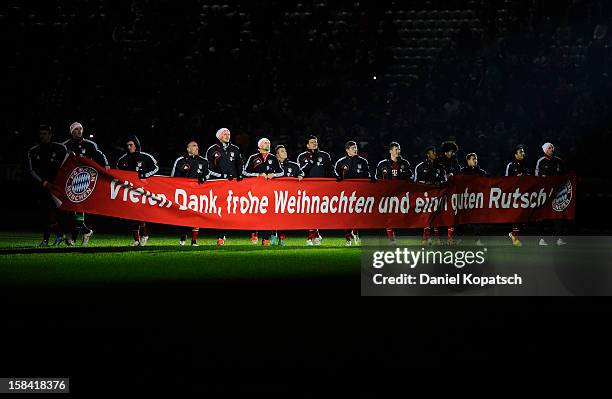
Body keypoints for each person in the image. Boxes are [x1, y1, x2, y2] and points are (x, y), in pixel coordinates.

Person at [62, 121, 110, 246]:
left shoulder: (89, 144)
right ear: (71, 132)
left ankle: (73, 238)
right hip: (69, 182)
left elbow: (100, 156)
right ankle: (86, 231)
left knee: (78, 208)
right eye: (76, 129)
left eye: (80, 129)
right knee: (71, 211)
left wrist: (107, 167)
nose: (79, 131)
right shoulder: (65, 146)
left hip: (85, 181)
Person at [27, 124, 68, 247]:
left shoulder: (60, 148)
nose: (43, 136)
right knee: (46, 214)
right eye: (41, 134)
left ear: (50, 135)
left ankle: (49, 239)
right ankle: (59, 236)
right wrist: (43, 182)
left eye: (45, 133)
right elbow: (31, 170)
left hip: (57, 187)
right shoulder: (33, 151)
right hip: (42, 187)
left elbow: (67, 164)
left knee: (52, 213)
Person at [116, 135, 159, 246]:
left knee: (139, 214)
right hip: (128, 191)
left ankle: (144, 235)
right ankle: (136, 239)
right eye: (127, 145)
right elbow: (117, 173)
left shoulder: (145, 157)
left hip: (142, 190)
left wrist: (145, 175)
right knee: (131, 216)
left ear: (136, 145)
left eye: (131, 145)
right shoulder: (122, 160)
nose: (129, 147)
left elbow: (156, 168)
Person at [206, 128, 244, 246]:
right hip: (218, 184)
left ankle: (247, 233)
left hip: (233, 185)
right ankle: (220, 236)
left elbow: (240, 164)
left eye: (229, 134)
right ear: (219, 136)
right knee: (219, 210)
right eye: (225, 134)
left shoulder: (235, 149)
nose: (227, 136)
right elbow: (208, 168)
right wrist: (222, 176)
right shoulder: (212, 150)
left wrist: (239, 175)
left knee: (232, 209)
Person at [243, 138, 284, 246]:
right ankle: (254, 232)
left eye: (269, 142)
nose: (268, 143)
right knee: (255, 212)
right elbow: (245, 172)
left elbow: (281, 172)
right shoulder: (253, 158)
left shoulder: (273, 158)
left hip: (268, 191)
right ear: (260, 145)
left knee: (267, 214)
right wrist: (258, 175)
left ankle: (265, 238)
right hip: (255, 191)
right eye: (266, 142)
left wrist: (273, 175)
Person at [171, 140, 211, 246]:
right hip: (184, 193)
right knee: (184, 215)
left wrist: (203, 177)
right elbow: (174, 177)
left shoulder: (204, 161)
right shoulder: (180, 160)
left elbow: (208, 175)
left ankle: (194, 240)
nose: (197, 148)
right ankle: (183, 234)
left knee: (196, 215)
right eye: (194, 146)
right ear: (188, 149)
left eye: (197, 146)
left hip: (197, 193)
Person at [297, 135, 335, 246]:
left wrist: (337, 178)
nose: (314, 144)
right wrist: (310, 162)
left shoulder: (324, 155)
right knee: (310, 213)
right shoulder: (302, 156)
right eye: (312, 142)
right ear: (307, 145)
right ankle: (312, 236)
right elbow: (300, 171)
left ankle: (315, 235)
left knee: (318, 213)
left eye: (316, 142)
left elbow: (330, 170)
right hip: (308, 189)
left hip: (322, 189)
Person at [375, 142, 413, 244]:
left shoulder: (405, 163)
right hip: (388, 194)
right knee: (388, 217)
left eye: (399, 149)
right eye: (396, 149)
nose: (398, 151)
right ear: (390, 151)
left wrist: (403, 176)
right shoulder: (382, 164)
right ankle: (392, 239)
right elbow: (377, 179)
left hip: (401, 194)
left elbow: (411, 176)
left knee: (401, 216)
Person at [334, 141, 371, 246]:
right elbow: (335, 176)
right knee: (346, 217)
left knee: (357, 216)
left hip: (359, 194)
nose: (355, 149)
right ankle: (348, 239)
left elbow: (367, 174)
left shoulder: (363, 161)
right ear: (347, 150)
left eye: (356, 147)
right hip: (345, 195)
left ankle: (355, 232)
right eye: (353, 148)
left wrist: (371, 179)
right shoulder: (341, 162)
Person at [535, 142, 567, 246]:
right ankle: (541, 239)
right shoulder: (541, 161)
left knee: (558, 215)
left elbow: (564, 176)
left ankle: (559, 238)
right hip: (544, 194)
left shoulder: (559, 161)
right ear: (544, 150)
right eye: (549, 148)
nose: (551, 150)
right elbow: (536, 176)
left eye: (552, 148)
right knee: (542, 215)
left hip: (558, 194)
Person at [414, 146, 446, 245]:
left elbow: (444, 180)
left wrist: (438, 183)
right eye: (433, 152)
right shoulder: (420, 167)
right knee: (427, 217)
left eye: (435, 152)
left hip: (437, 195)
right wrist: (425, 183)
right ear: (428, 154)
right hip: (425, 196)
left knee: (436, 217)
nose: (435, 154)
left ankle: (436, 239)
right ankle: (425, 238)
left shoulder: (440, 166)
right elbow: (416, 181)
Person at [272, 144, 304, 245]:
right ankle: (273, 235)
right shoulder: (271, 164)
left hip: (288, 197)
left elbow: (301, 172)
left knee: (284, 218)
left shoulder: (294, 165)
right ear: (276, 155)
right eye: (282, 151)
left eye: (285, 151)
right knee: (272, 217)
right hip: (273, 196)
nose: (285, 152)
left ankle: (282, 237)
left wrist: (300, 175)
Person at [460, 152, 488, 246]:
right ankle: (459, 238)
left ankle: (477, 240)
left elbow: (488, 184)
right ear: (468, 160)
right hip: (465, 201)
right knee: (462, 220)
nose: (475, 160)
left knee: (477, 221)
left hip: (477, 201)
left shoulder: (481, 172)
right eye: (473, 159)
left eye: (476, 159)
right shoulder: (462, 172)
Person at [505, 144, 531, 247]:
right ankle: (515, 239)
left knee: (523, 218)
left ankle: (513, 234)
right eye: (520, 152)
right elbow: (506, 181)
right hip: (515, 195)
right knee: (516, 217)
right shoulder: (510, 165)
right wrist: (516, 178)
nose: (523, 153)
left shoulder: (527, 164)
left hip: (526, 194)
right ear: (515, 155)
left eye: (523, 151)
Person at [436, 140, 461, 244]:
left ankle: (449, 238)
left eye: (453, 152)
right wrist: (443, 177)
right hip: (439, 191)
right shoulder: (438, 160)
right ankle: (437, 238)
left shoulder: (454, 160)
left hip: (451, 191)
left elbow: (458, 171)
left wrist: (453, 175)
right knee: (437, 214)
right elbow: (434, 174)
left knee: (451, 213)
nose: (453, 153)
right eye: (451, 151)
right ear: (446, 151)